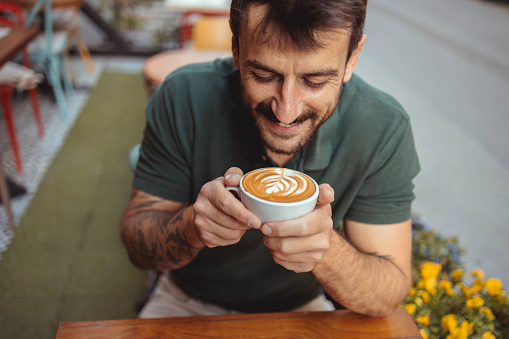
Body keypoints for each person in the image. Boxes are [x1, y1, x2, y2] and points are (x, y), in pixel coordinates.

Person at [121, 0, 420, 318]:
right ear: (236, 48)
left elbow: (388, 293)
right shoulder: (183, 96)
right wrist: (192, 227)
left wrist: (326, 250)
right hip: (185, 299)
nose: (286, 112)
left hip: (301, 308)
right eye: (263, 75)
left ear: (352, 59)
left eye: (315, 81)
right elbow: (138, 247)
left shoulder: (382, 126)